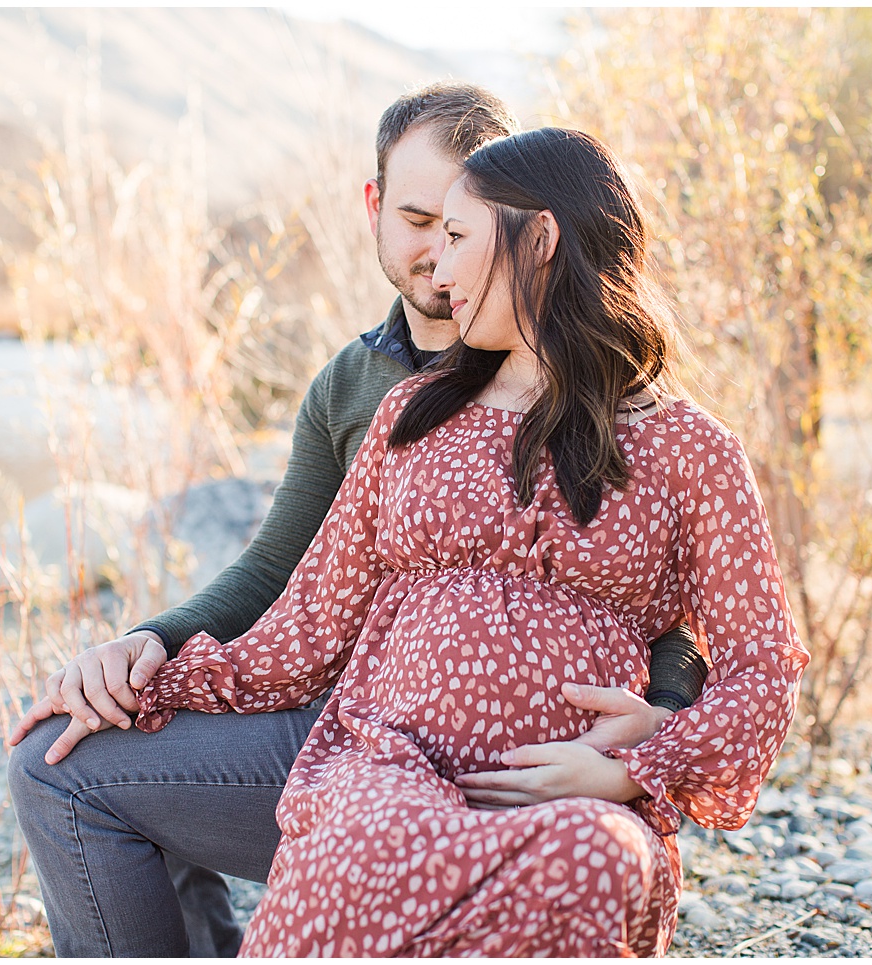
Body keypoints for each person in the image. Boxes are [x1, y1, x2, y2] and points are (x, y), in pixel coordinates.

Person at [43, 126, 810, 956]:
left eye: (456, 238)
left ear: (541, 238)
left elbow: (764, 666)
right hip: (390, 765)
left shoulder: (689, 448)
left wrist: (641, 763)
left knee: (600, 857)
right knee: (360, 848)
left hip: (563, 801)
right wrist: (149, 669)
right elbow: (302, 629)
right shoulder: (410, 416)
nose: (438, 272)